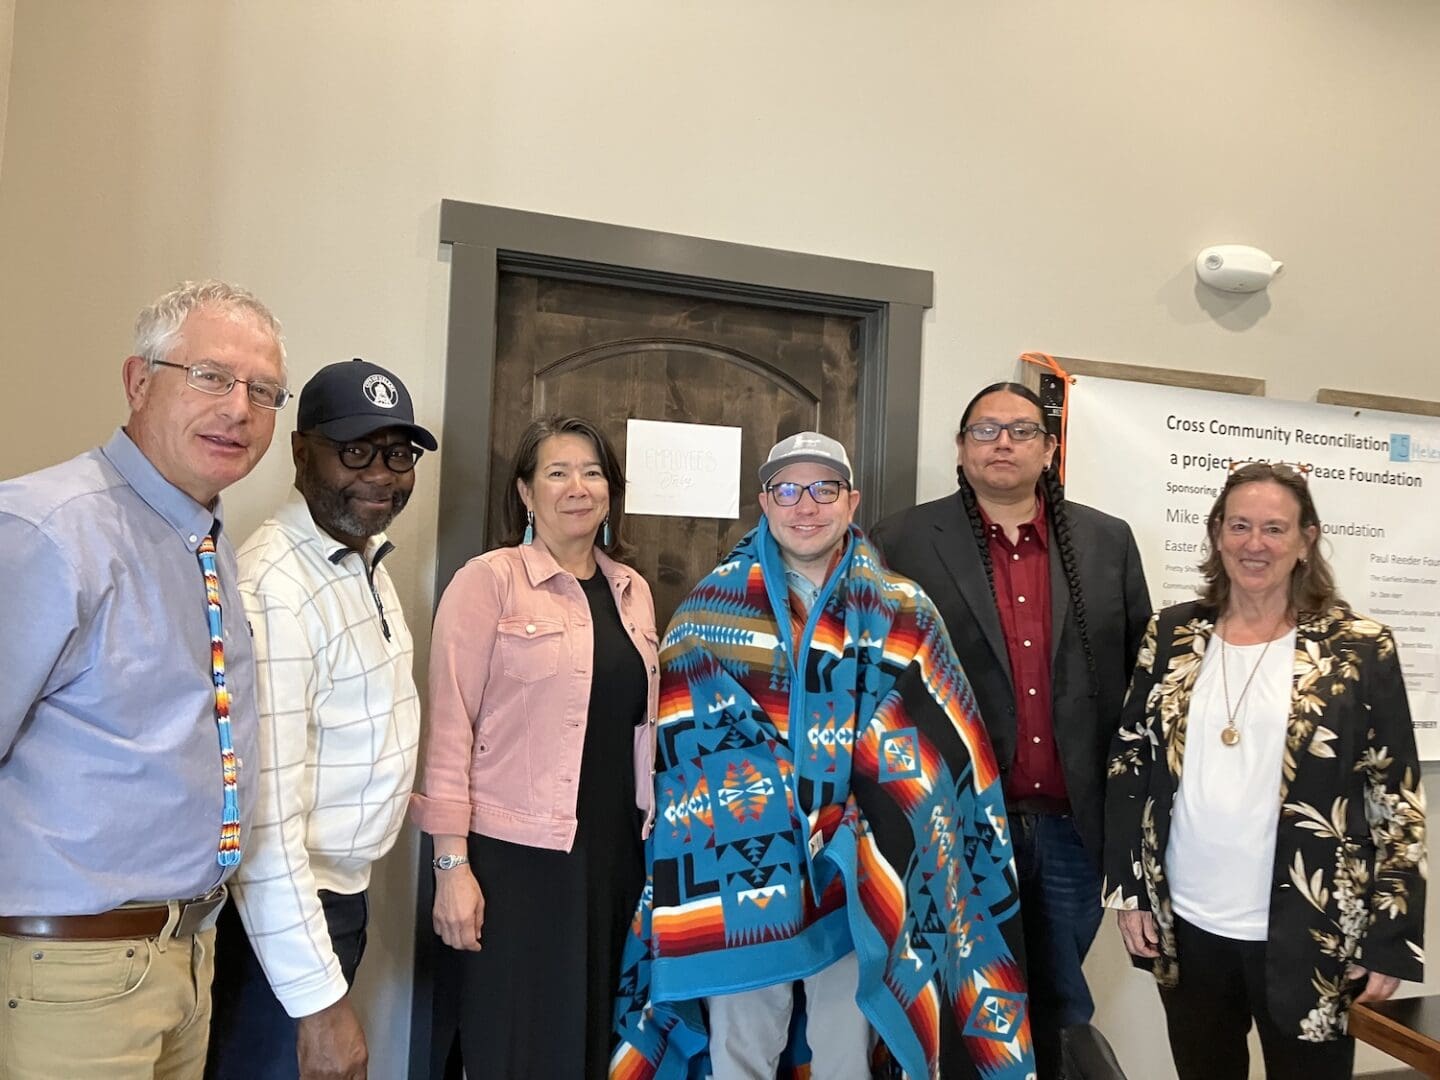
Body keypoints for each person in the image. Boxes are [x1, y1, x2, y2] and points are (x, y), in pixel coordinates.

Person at [611, 432, 1034, 1080]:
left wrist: (853, 823)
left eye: (823, 488)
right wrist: (787, 808)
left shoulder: (904, 611)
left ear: (851, 499)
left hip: (862, 870)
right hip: (740, 873)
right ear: (764, 500)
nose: (805, 505)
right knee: (740, 1052)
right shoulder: (704, 613)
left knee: (846, 1056)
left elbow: (944, 754)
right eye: (788, 488)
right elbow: (685, 753)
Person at [0, 280, 287, 1079]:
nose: (239, 407)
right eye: (211, 376)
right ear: (137, 381)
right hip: (71, 975)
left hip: (186, 958)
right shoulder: (45, 531)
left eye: (263, 391)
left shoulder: (206, 537)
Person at [1104, 461, 1426, 1078]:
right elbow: (1131, 760)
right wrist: (1129, 889)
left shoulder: (1358, 648)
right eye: (1240, 526)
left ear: (1307, 540)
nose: (1256, 544)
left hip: (1315, 926)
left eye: (1275, 529)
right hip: (1190, 921)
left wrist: (1392, 936)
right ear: (1217, 533)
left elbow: (1397, 799)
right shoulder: (1172, 634)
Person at [869, 381, 1150, 1078]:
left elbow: (1139, 685)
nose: (1003, 443)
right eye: (986, 430)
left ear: (1049, 449)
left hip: (1071, 828)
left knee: (1055, 998)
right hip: (950, 824)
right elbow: (874, 687)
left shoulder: (1105, 541)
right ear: (960, 449)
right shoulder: (901, 539)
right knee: (954, 1000)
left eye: (1021, 431)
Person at [205, 359, 439, 1080]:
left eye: (398, 455)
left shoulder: (358, 559)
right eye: (357, 451)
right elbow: (264, 818)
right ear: (302, 451)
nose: (382, 475)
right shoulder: (277, 583)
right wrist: (319, 1004)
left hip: (337, 901)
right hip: (282, 917)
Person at [411, 414, 660, 1079]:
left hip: (615, 860)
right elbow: (449, 729)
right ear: (525, 492)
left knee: (598, 1044)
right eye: (556, 472)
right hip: (515, 863)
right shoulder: (488, 582)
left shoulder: (634, 593)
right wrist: (449, 867)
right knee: (517, 1045)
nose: (577, 487)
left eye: (592, 471)